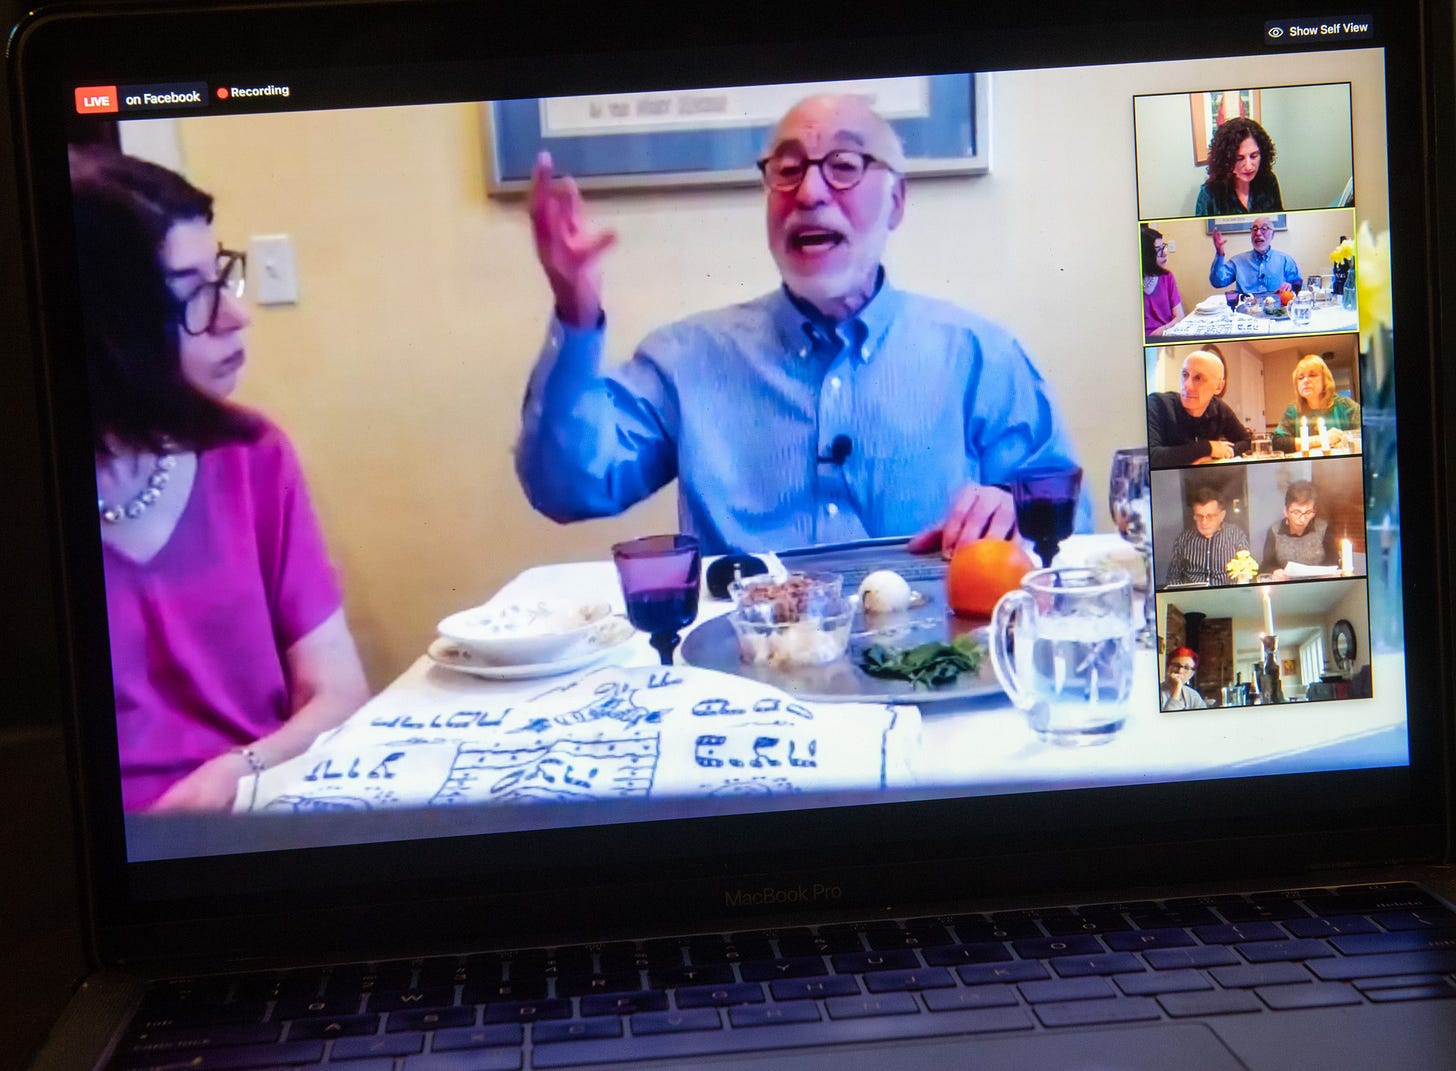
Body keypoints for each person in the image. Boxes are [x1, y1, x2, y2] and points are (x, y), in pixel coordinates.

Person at [515, 94, 1081, 557]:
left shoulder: (980, 356)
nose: (809, 193)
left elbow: (1071, 525)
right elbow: (567, 489)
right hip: (739, 675)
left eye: (844, 166)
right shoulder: (684, 359)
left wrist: (1016, 512)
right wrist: (575, 310)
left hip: (931, 658)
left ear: (897, 202)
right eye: (786, 171)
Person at [71, 146, 369, 813]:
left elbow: (339, 694)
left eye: (222, 278)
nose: (235, 316)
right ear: (101, 329)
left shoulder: (253, 455)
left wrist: (232, 775)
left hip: (255, 824)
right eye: (193, 297)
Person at [1146, 350, 1250, 467]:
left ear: (1219, 386)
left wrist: (1223, 453)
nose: (1186, 385)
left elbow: (1247, 441)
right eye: (1185, 375)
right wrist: (1208, 448)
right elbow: (1151, 456)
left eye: (1198, 378)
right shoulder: (1157, 404)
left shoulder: (1220, 409)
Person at [1272, 354, 1362, 453]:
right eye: (1300, 378)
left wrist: (1344, 439)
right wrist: (1323, 439)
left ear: (1325, 381)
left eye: (1312, 375)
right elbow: (1277, 443)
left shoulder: (1345, 406)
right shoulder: (1293, 410)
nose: (1305, 381)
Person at [1195, 117, 1283, 216]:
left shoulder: (1269, 181)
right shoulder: (1209, 195)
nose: (1249, 166)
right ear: (1226, 159)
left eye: (1254, 156)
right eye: (1239, 159)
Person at [1163, 486, 1251, 586]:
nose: (1204, 522)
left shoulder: (1236, 535)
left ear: (1222, 515)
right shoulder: (1183, 539)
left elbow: (1246, 570)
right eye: (1199, 516)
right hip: (1193, 598)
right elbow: (1173, 577)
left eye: (1210, 516)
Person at [1261, 481, 1339, 581]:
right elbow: (1266, 566)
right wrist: (1275, 571)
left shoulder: (1323, 528)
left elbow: (1334, 561)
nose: (1302, 519)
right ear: (1285, 511)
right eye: (1296, 512)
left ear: (1314, 511)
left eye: (1308, 512)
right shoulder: (1274, 530)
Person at [1208, 216, 1301, 296]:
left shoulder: (1285, 260)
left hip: (1277, 310)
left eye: (1264, 229)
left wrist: (1290, 286)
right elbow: (1217, 282)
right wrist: (1219, 254)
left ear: (1273, 235)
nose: (1258, 233)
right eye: (1255, 229)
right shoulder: (1237, 261)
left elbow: (1299, 287)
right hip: (1246, 312)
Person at [1142, 225, 1184, 336]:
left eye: (1163, 247)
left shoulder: (1167, 277)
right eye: (1158, 249)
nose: (1164, 253)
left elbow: (1179, 316)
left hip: (1165, 335)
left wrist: (1162, 330)